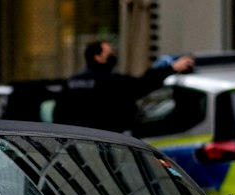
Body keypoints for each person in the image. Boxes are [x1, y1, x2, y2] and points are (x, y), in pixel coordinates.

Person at [53, 40, 194, 133]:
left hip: (76, 142)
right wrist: (173, 68)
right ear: (98, 57)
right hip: (107, 140)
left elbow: (58, 115)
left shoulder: (72, 82)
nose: (113, 56)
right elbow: (142, 85)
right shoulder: (110, 81)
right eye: (110, 54)